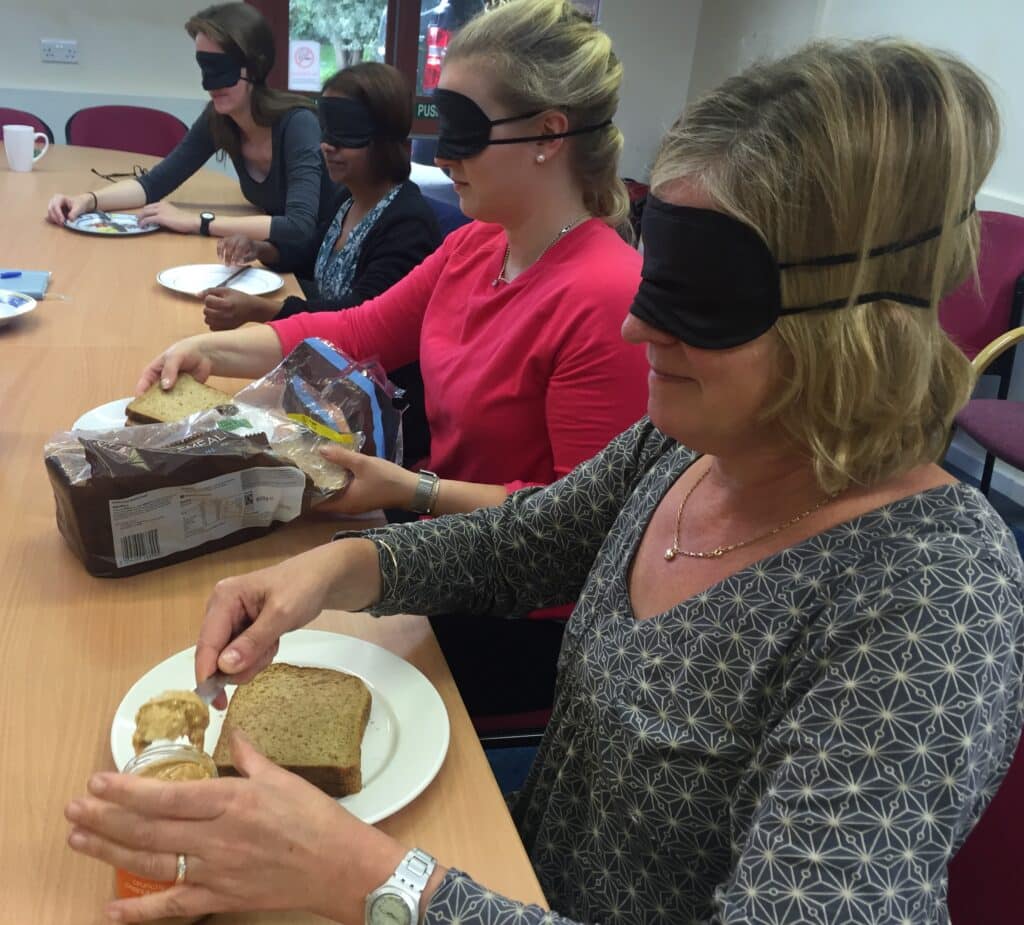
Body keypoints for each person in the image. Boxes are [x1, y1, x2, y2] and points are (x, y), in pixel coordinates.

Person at [65, 38, 1024, 925]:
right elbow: (523, 540)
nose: (634, 329)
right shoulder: (689, 444)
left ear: (856, 323)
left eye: (699, 299)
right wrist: (336, 569)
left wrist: (378, 882)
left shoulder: (929, 595)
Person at [132, 0, 648, 718]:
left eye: (464, 130)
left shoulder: (604, 293)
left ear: (547, 134)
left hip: (517, 618)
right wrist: (206, 350)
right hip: (430, 543)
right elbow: (358, 328)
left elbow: (582, 528)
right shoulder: (477, 246)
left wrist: (409, 492)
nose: (441, 154)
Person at [202, 61, 444, 463]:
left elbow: (362, 318)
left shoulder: (407, 221)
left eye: (345, 134)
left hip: (380, 424)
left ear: (384, 139)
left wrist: (265, 311)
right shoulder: (347, 199)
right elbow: (311, 251)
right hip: (326, 393)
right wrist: (262, 249)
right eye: (326, 131)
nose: (327, 145)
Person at [45, 2, 334, 244]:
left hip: (316, 267)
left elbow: (299, 227)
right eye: (203, 67)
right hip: (266, 252)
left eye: (219, 69)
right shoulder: (220, 118)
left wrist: (198, 222)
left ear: (253, 67)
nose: (209, 83)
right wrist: (86, 200)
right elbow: (154, 183)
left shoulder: (298, 124)